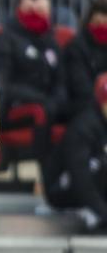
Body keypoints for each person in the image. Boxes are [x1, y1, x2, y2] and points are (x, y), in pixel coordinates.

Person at [0, 0, 68, 162]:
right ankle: (41, 171)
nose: (36, 16)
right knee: (43, 111)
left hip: (50, 102)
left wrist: (58, 99)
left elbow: (62, 80)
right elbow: (1, 84)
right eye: (30, 11)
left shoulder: (51, 42)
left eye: (41, 11)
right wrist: (40, 98)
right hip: (15, 105)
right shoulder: (5, 40)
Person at [42, 73, 107, 232]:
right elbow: (80, 177)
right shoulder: (82, 128)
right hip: (62, 189)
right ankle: (96, 213)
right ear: (102, 103)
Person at [63, 0, 107, 117]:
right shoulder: (77, 47)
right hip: (82, 104)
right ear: (89, 22)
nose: (103, 28)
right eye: (98, 23)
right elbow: (80, 86)